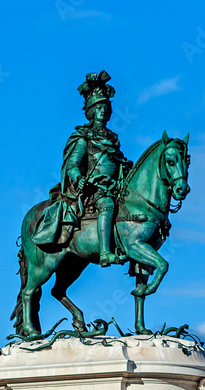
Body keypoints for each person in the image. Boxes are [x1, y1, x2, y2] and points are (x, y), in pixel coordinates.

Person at [37, 70, 133, 265]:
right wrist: (79, 178)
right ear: (91, 111)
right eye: (99, 108)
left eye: (106, 107)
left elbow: (116, 161)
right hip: (94, 189)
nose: (103, 111)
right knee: (107, 205)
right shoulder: (84, 137)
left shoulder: (113, 138)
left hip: (115, 186)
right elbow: (72, 164)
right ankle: (105, 252)